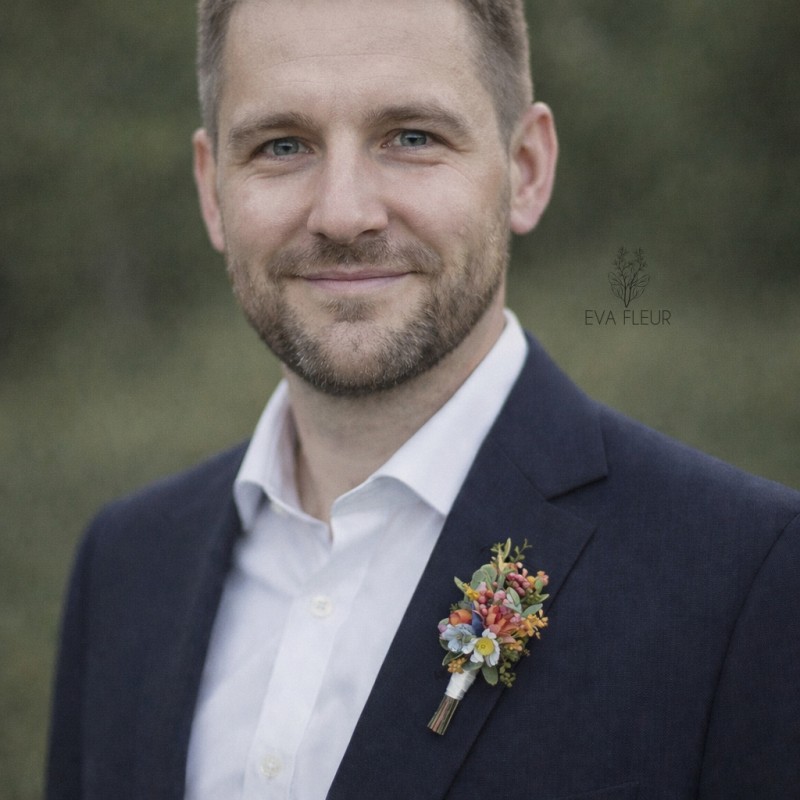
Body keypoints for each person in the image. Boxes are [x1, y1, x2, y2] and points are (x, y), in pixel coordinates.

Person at [46, 0, 800, 798]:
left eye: (411, 137)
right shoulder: (125, 567)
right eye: (282, 145)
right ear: (212, 191)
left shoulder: (749, 579)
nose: (343, 215)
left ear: (527, 169)